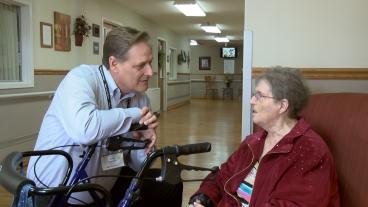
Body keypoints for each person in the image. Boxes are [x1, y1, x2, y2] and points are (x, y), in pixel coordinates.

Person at [27, 26, 182, 206]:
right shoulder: (81, 78)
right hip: (54, 195)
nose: (150, 72)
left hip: (103, 192)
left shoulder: (141, 98)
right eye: (141, 65)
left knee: (169, 185)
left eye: (150, 63)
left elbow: (137, 165)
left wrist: (144, 148)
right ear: (114, 64)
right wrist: (134, 116)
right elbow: (85, 129)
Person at [189, 67, 340, 207]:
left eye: (259, 96)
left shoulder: (310, 151)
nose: (251, 101)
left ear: (282, 106)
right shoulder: (254, 141)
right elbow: (222, 176)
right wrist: (204, 198)